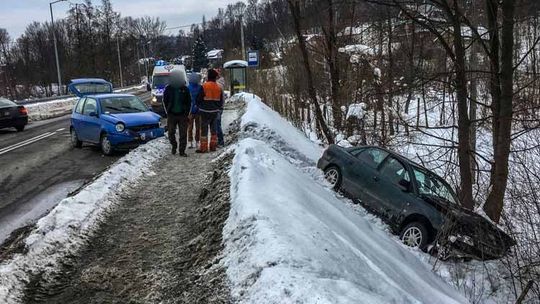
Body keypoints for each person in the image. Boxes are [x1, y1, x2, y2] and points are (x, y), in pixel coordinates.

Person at [162, 69, 191, 156]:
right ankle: (174, 145)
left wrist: (186, 113)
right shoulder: (168, 88)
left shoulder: (185, 89)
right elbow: (165, 100)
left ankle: (182, 151)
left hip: (182, 114)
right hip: (172, 114)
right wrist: (168, 110)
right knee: (171, 133)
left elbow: (189, 102)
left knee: (183, 134)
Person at [196, 69, 223, 153]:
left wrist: (199, 106)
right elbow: (221, 101)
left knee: (204, 130)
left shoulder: (204, 86)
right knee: (213, 129)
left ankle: (204, 148)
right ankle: (213, 146)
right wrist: (217, 107)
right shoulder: (219, 87)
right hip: (214, 111)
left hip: (204, 111)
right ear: (215, 77)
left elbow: (198, 98)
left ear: (208, 76)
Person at [187, 72, 202, 148]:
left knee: (192, 127)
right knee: (193, 127)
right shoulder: (189, 88)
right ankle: (193, 141)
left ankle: (194, 141)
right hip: (193, 110)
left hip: (193, 110)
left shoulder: (189, 87)